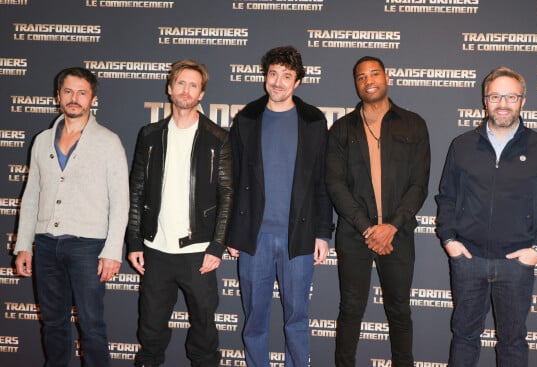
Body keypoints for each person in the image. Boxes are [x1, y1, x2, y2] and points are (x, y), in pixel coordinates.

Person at [435, 66, 537, 367]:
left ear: (523, 101)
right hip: (468, 260)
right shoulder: (462, 145)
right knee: (465, 337)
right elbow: (447, 197)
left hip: (516, 264)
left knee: (512, 342)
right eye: (495, 96)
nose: (503, 103)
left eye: (510, 96)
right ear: (485, 100)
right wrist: (449, 240)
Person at [13, 67, 129, 367]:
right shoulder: (41, 141)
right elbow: (32, 195)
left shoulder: (108, 141)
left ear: (92, 99)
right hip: (46, 246)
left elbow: (120, 201)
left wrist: (113, 250)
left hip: (88, 247)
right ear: (57, 96)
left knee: (92, 326)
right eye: (68, 91)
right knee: (53, 324)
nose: (74, 98)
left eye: (81, 93)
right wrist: (24, 245)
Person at [227, 46, 334, 367]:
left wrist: (323, 233)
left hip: (298, 238)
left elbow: (322, 182)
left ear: (297, 82)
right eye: (273, 74)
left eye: (286, 76)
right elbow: (231, 180)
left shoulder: (314, 121)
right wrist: (233, 232)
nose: (278, 82)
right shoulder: (246, 118)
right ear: (265, 77)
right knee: (254, 320)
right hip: (253, 238)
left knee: (297, 319)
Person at [126, 59, 232, 367]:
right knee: (150, 331)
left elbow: (227, 195)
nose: (186, 90)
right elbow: (136, 191)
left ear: (201, 94)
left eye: (193, 85)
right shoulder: (149, 135)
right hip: (156, 249)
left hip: (198, 252)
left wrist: (217, 245)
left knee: (204, 333)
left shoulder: (218, 138)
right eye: (181, 83)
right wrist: (134, 242)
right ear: (170, 89)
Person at [326, 56, 430, 367]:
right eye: (361, 76)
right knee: (351, 310)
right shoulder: (342, 129)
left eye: (374, 73)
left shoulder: (413, 123)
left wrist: (392, 226)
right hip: (354, 235)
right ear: (356, 84)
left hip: (397, 235)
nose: (369, 80)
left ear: (387, 77)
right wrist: (367, 228)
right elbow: (335, 185)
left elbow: (419, 184)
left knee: (399, 310)